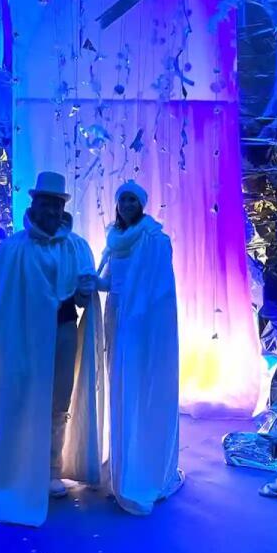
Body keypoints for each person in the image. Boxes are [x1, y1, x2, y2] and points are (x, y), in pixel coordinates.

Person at [0, 172, 104, 527]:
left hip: (62, 330)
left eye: (57, 204)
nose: (51, 210)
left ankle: (51, 468)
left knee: (59, 400)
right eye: (46, 203)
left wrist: (85, 290)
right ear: (34, 204)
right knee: (22, 397)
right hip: (23, 337)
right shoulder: (12, 250)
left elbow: (81, 295)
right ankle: (19, 465)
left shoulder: (75, 247)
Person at [98, 180, 184, 515]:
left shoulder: (153, 240)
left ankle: (142, 469)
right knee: (119, 389)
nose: (127, 205)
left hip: (141, 328)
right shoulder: (114, 240)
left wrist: (138, 319)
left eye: (133, 200)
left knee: (138, 389)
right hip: (116, 320)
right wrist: (94, 283)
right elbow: (114, 283)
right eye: (123, 200)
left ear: (142, 204)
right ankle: (123, 463)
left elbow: (158, 293)